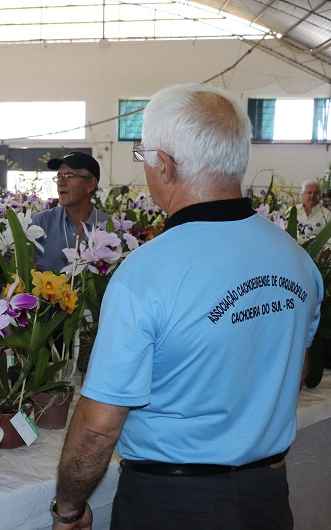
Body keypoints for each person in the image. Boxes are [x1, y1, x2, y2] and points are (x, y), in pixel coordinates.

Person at [52, 83, 323, 530]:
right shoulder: (296, 260)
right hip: (268, 497)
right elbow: (294, 364)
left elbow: (99, 428)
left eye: (144, 158)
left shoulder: (145, 274)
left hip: (171, 504)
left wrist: (69, 508)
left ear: (165, 164)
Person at [31, 152, 108, 272]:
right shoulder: (40, 224)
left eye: (69, 176)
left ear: (90, 184)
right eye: (58, 176)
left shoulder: (110, 229)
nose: (60, 182)